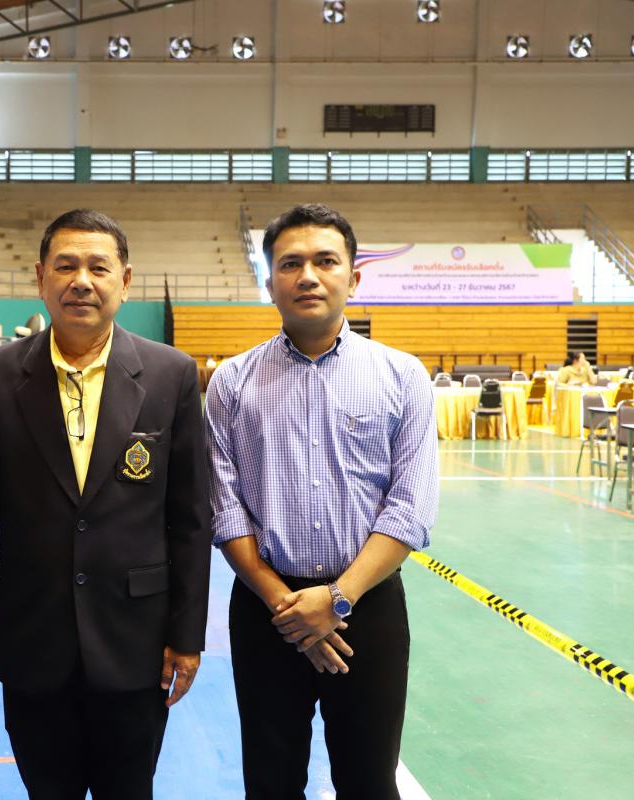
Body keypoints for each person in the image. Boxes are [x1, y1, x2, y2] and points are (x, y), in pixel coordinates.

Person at [0, 209, 211, 800]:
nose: (81, 281)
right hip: (32, 639)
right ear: (40, 277)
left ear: (125, 280)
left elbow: (190, 520)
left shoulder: (170, 374)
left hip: (136, 641)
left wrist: (187, 636)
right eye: (66, 266)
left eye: (98, 267)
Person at [205, 204, 438, 799]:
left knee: (369, 782)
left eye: (325, 261)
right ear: (270, 284)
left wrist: (336, 599)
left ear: (353, 278)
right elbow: (225, 509)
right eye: (290, 264)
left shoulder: (402, 377)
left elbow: (410, 508)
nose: (308, 275)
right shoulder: (231, 383)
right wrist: (289, 606)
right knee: (270, 782)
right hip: (267, 611)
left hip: (367, 608)